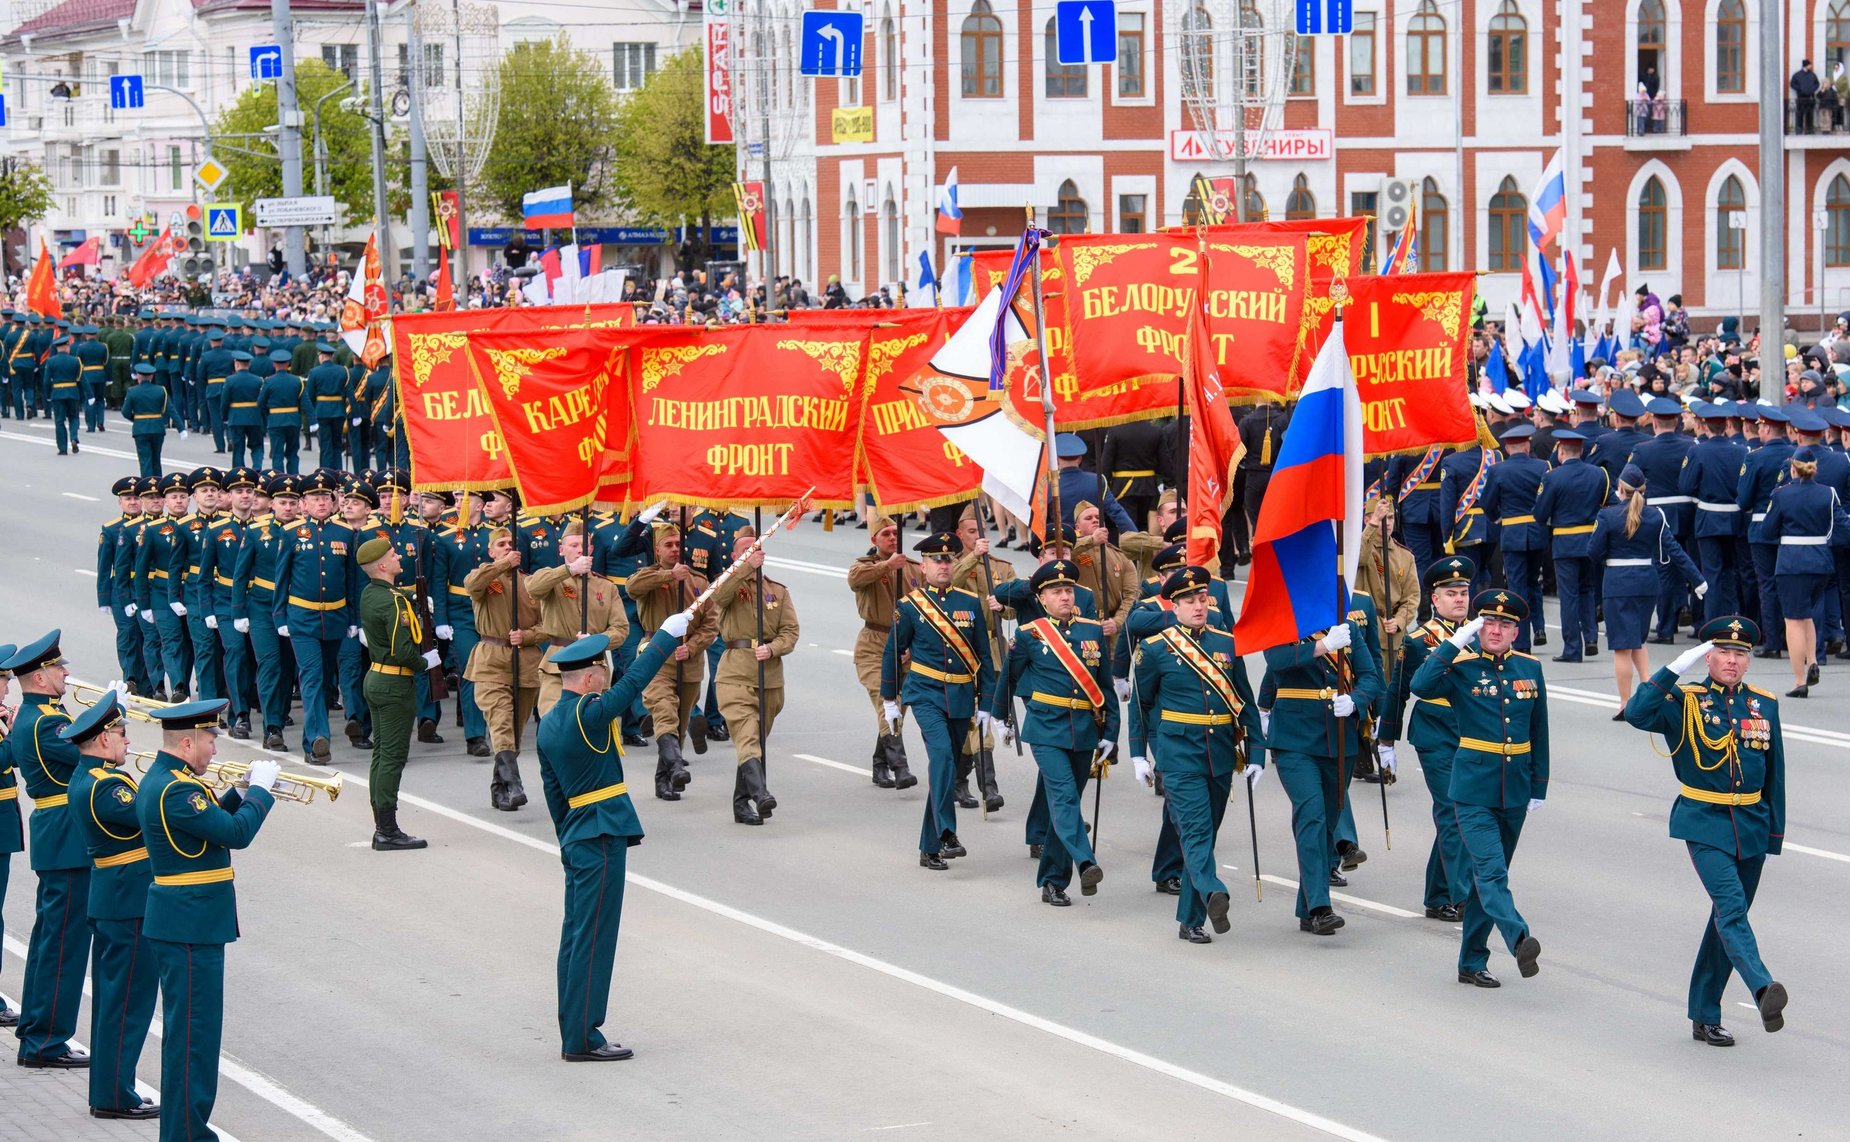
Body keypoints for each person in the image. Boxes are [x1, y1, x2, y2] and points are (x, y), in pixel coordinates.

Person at [1622, 617, 1789, 1046]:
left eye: (1741, 654)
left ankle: (1704, 1013)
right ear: (1708, 656)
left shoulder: (1763, 705)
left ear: (1749, 661)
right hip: (1703, 820)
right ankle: (1763, 988)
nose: (1732, 661)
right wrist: (1673, 669)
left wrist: (1774, 836)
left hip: (1751, 825)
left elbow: (1775, 775)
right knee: (1731, 908)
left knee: (1726, 921)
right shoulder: (1685, 699)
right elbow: (1637, 714)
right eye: (1724, 653)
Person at [538, 619, 690, 1062]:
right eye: (602, 672)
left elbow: (553, 793)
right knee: (594, 937)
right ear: (588, 678)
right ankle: (583, 1039)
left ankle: (574, 1030)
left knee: (576, 934)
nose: (607, 678)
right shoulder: (589, 712)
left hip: (578, 833)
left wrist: (566, 836)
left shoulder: (549, 723)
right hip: (602, 831)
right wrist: (665, 637)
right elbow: (636, 681)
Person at [136, 699, 279, 1142]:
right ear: (186, 742)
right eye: (210, 741)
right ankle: (186, 1135)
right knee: (193, 1041)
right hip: (190, 925)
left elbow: (205, 826)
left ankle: (186, 1131)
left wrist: (236, 794)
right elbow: (235, 833)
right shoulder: (178, 789)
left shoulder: (168, 781)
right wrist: (261, 793)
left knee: (191, 1037)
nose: (214, 750)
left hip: (186, 923)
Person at [1410, 590, 1548, 988]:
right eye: (1488, 622)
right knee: (1491, 873)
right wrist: (1454, 643)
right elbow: (1421, 684)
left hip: (1515, 789)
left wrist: (1539, 784)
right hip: (1471, 789)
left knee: (1487, 878)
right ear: (1477, 625)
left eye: (1504, 624)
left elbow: (1539, 731)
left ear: (1516, 631)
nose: (1495, 630)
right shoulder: (1462, 667)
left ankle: (1471, 961)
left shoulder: (1530, 668)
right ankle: (1519, 938)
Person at [1131, 566, 1264, 944]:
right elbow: (1140, 705)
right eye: (1190, 600)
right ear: (1174, 606)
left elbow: (1246, 702)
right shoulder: (1156, 649)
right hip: (1178, 755)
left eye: (1203, 598)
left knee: (1204, 839)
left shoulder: (1226, 643)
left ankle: (1190, 920)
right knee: (1195, 833)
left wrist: (1256, 752)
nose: (1199, 605)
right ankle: (1213, 890)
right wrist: (1138, 754)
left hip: (1219, 753)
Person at [61, 692, 159, 1120]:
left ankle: (110, 1090)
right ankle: (115, 1095)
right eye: (121, 733)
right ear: (103, 740)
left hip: (114, 896)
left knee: (114, 1001)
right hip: (128, 900)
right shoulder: (107, 785)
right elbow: (158, 816)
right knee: (127, 1004)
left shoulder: (87, 777)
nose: (127, 742)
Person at [993, 559, 1114, 904]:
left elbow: (1103, 685)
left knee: (1066, 803)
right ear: (1042, 599)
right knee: (1064, 798)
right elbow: (1010, 676)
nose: (1064, 596)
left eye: (1068, 590)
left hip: (1084, 729)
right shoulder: (1029, 635)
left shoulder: (1091, 632)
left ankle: (1051, 881)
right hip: (1045, 729)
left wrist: (1111, 732)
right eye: (1056, 592)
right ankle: (1085, 860)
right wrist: (1002, 717)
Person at [1259, 602, 1383, 935]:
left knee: (1327, 821)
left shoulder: (1348, 628)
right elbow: (1277, 660)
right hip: (1295, 740)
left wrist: (1356, 700)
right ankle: (1321, 906)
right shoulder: (1285, 622)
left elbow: (1372, 677)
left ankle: (1306, 908)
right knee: (1311, 815)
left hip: (1338, 739)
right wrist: (1323, 646)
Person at [3, 631, 94, 1068]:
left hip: (59, 836)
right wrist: (110, 715)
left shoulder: (40, 716)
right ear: (40, 676)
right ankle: (45, 1042)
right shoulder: (44, 722)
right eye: (59, 668)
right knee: (64, 945)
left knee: (51, 940)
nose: (67, 673)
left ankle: (38, 1031)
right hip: (67, 838)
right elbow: (97, 756)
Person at [884, 532, 996, 869]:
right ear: (923, 566)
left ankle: (928, 847)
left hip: (962, 696)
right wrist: (890, 699)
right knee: (944, 758)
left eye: (948, 559)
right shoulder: (910, 607)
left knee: (945, 768)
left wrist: (988, 702)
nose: (944, 565)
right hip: (926, 694)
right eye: (937, 559)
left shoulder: (969, 603)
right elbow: (892, 652)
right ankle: (948, 832)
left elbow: (983, 657)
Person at [1590, 465, 1707, 713]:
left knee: (1622, 646)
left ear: (1620, 488)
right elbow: (1674, 550)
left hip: (1618, 583)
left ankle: (1625, 703)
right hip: (1646, 582)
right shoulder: (1655, 516)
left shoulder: (1607, 516)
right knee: (1639, 641)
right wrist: (1697, 579)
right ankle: (1649, 693)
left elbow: (1593, 551)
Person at [1400, 557, 1477, 922]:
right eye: (1451, 593)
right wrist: (1384, 740)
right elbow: (1397, 690)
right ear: (1435, 598)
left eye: (1463, 592)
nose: (1459, 599)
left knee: (1456, 814)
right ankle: (1462, 895)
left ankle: (1437, 894)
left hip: (1470, 732)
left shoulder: (1483, 634)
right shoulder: (1419, 641)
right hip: (1433, 731)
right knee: (1453, 812)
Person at [272, 470, 360, 765]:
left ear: (334, 502)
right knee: (311, 677)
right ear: (304, 504)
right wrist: (280, 614)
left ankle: (315, 733)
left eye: (326, 497)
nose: (321, 502)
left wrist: (353, 619)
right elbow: (281, 578)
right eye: (314, 498)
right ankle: (316, 741)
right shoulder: (290, 533)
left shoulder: (346, 534)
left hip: (335, 617)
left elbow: (351, 582)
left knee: (325, 682)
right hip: (301, 618)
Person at [626, 522, 719, 801]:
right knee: (664, 710)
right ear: (657, 550)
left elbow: (710, 625)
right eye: (668, 545)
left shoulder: (698, 582)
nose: (675, 549)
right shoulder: (649, 576)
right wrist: (668, 575)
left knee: (678, 722)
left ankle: (665, 776)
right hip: (655, 654)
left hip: (687, 660)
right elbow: (632, 588)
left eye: (678, 544)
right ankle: (676, 765)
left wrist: (691, 648)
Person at [711, 530, 799, 826]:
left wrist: (773, 648)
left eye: (756, 548)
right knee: (747, 735)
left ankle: (740, 802)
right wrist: (745, 569)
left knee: (755, 742)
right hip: (735, 673)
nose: (752, 552)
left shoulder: (778, 591)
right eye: (745, 549)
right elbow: (720, 597)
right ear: (735, 556)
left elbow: (790, 631)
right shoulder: (729, 584)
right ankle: (761, 794)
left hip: (770, 677)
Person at [357, 535, 434, 850]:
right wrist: (424, 663)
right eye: (393, 554)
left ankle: (382, 825)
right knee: (392, 757)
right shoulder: (393, 601)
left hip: (376, 678)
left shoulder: (371, 593)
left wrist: (410, 594)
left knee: (380, 755)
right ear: (382, 565)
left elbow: (389, 597)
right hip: (395, 684)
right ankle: (387, 831)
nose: (399, 556)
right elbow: (403, 650)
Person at [464, 526, 546, 811]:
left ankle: (499, 788)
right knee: (500, 722)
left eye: (511, 543)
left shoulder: (531, 582)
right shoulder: (485, 578)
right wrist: (501, 565)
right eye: (501, 544)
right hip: (491, 658)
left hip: (525, 661)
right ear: (491, 551)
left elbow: (547, 624)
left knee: (514, 731)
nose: (508, 547)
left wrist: (529, 636)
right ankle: (514, 784)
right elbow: (472, 584)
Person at [1760, 446, 1850, 697]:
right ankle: (1812, 661)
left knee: (1793, 620)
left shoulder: (1781, 495)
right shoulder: (1828, 493)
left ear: (1792, 469)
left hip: (1792, 564)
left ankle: (1799, 680)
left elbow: (1767, 531)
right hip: (1821, 562)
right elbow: (1842, 525)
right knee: (1807, 615)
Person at [529, 521, 630, 717]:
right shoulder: (553, 578)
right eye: (573, 545)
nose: (579, 550)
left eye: (584, 546)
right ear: (561, 549)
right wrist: (569, 570)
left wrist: (597, 641)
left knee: (593, 724)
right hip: (559, 663)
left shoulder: (606, 587)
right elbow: (533, 587)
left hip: (593, 663)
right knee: (554, 721)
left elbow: (621, 628)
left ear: (591, 549)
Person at [850, 516, 923, 789]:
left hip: (905, 644)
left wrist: (911, 647)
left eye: (895, 533)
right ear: (874, 540)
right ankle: (900, 767)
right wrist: (886, 566)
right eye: (885, 534)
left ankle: (880, 763)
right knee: (885, 701)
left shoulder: (914, 569)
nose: (892, 537)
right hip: (875, 643)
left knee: (898, 709)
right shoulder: (864, 566)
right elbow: (855, 580)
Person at [1532, 430, 1608, 661]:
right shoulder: (1598, 474)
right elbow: (1610, 503)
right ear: (1582, 451)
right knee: (1588, 590)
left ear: (1561, 452)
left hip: (1565, 542)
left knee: (1569, 595)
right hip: (1592, 541)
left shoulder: (1552, 477)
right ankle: (1592, 637)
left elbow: (1540, 513)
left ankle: (1572, 648)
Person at [1482, 425, 1551, 651]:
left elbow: (1487, 503)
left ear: (1508, 447)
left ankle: (1522, 642)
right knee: (1534, 582)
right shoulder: (1543, 466)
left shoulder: (1497, 470)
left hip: (1512, 532)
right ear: (1527, 445)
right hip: (1537, 531)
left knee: (1517, 586)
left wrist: (1498, 518)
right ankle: (1539, 628)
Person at [1681, 403, 1752, 621]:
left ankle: (1712, 622)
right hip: (1735, 518)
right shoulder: (1742, 451)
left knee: (1712, 572)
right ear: (1726, 425)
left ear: (1704, 425)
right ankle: (1733, 619)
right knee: (1731, 572)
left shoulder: (1697, 451)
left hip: (1708, 519)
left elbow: (1685, 486)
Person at [1737, 406, 1796, 656]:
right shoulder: (1796, 454)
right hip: (1790, 528)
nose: (1758, 430)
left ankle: (1772, 642)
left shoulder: (1755, 457)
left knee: (1767, 585)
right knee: (1787, 583)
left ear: (1767, 428)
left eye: (1760, 426)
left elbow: (1743, 499)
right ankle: (1789, 639)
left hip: (1762, 527)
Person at [122, 364, 169, 477]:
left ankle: (148, 488)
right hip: (157, 427)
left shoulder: (132, 391)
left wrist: (136, 419)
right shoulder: (160, 390)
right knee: (156, 459)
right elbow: (166, 408)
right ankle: (158, 485)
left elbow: (125, 411)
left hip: (141, 429)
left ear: (138, 376)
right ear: (151, 377)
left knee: (145, 460)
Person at [1792, 58, 1821, 134]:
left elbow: (1817, 84)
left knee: (1809, 115)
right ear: (1806, 65)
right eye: (1809, 65)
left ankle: (1809, 130)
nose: (1811, 66)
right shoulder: (1797, 75)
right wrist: (1800, 89)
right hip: (1801, 98)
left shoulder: (1812, 75)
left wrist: (1812, 89)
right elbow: (1792, 84)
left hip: (1810, 97)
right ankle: (1799, 130)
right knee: (1799, 114)